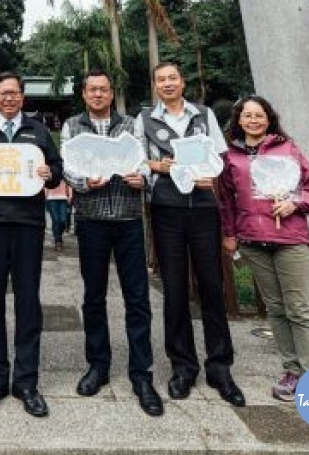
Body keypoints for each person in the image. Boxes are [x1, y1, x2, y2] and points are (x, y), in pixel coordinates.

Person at [136, 62, 245, 407]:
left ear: (182, 82)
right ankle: (182, 366)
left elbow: (221, 157)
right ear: (154, 86)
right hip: (166, 207)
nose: (167, 84)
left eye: (172, 78)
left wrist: (209, 175)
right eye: (161, 80)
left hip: (203, 206)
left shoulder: (203, 114)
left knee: (212, 285)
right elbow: (134, 161)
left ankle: (220, 366)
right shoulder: (145, 119)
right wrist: (155, 166)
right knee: (174, 287)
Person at [0, 72, 63, 418]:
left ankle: (26, 381)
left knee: (28, 301)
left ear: (23, 96)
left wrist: (51, 173)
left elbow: (57, 169)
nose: (9, 99)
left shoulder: (38, 131)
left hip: (28, 224)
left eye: (14, 93)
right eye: (3, 94)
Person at [61, 68, 163, 417]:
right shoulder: (72, 126)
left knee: (137, 298)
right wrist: (84, 181)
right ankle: (98, 366)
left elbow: (145, 161)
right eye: (92, 90)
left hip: (129, 219)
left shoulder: (131, 124)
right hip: (91, 221)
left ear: (111, 92)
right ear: (84, 93)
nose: (99, 95)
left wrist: (142, 178)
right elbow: (66, 168)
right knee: (93, 297)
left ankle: (141, 373)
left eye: (104, 90)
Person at [218, 95, 309, 402]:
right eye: (247, 115)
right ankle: (291, 369)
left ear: (269, 118)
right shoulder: (231, 157)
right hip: (253, 241)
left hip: (290, 238)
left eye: (258, 115)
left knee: (299, 308)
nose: (253, 120)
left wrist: (296, 203)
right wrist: (230, 234)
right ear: (238, 120)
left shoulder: (287, 148)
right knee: (275, 309)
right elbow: (226, 200)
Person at [45, 180, 70, 251]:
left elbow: (69, 184)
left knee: (63, 220)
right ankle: (58, 241)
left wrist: (70, 196)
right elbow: (46, 183)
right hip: (51, 198)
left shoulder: (65, 171)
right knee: (56, 220)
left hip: (63, 198)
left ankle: (58, 236)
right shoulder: (50, 169)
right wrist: (45, 197)